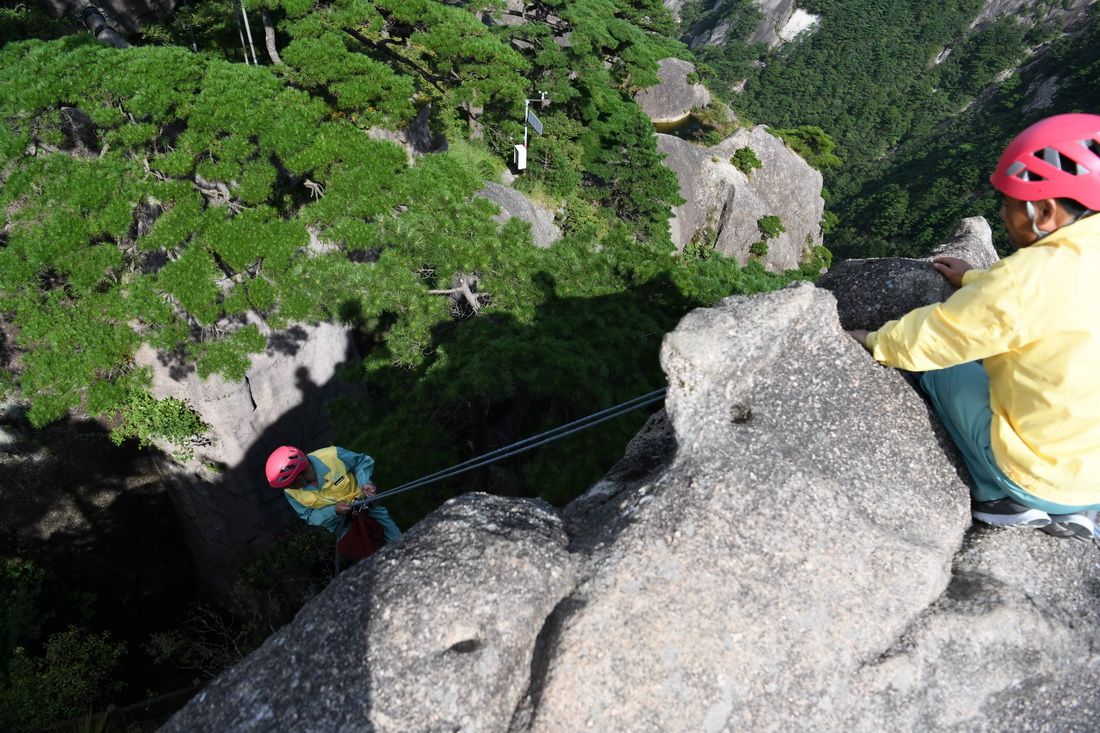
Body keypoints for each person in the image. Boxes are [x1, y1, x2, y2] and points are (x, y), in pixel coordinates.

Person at [848, 113, 1100, 540]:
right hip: (1090, 477)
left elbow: (940, 337)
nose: (1001, 212)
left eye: (1008, 202)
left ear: (1045, 210)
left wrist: (873, 341)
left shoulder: (1027, 278)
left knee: (947, 370)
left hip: (1033, 475)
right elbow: (1051, 300)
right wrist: (973, 279)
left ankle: (999, 496)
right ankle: (1081, 506)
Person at [266, 445, 402, 559]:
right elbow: (308, 515)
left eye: (288, 485)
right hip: (345, 529)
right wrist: (334, 511)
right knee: (378, 564)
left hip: (369, 510)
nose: (287, 489)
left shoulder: (332, 456)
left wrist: (365, 482)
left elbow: (361, 462)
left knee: (401, 546)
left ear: (299, 478)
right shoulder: (291, 492)